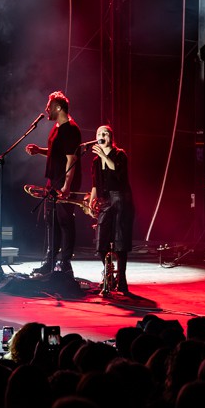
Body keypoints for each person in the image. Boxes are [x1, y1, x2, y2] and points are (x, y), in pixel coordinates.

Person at [23, 90, 81, 277]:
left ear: (58, 107)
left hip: (64, 182)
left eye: (49, 106)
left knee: (64, 222)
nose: (46, 109)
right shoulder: (56, 127)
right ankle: (50, 263)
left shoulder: (70, 129)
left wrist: (67, 186)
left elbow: (71, 159)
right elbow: (56, 152)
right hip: (53, 181)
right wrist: (39, 150)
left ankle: (65, 264)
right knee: (51, 221)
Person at [86, 123, 134, 295]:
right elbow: (95, 184)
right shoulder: (95, 161)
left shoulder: (120, 154)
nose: (102, 136)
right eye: (99, 133)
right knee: (101, 243)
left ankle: (122, 281)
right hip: (105, 200)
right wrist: (91, 201)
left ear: (111, 137)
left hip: (120, 199)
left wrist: (104, 156)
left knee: (120, 243)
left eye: (105, 133)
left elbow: (117, 171)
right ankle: (109, 277)